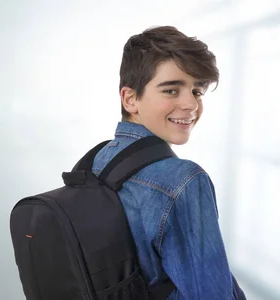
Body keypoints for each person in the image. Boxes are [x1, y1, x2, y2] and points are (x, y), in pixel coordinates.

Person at [92, 26, 246, 299]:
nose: (191, 105)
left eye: (197, 91)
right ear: (130, 99)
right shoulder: (183, 180)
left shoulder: (99, 160)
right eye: (172, 90)